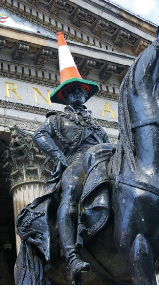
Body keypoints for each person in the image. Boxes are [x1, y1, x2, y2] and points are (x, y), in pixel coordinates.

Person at [32, 32, 110, 284]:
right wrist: (58, 156)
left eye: (80, 90)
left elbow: (107, 144)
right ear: (64, 96)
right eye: (72, 90)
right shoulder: (56, 119)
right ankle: (71, 253)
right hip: (76, 161)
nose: (77, 93)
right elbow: (39, 136)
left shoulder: (96, 125)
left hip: (102, 160)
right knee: (72, 191)